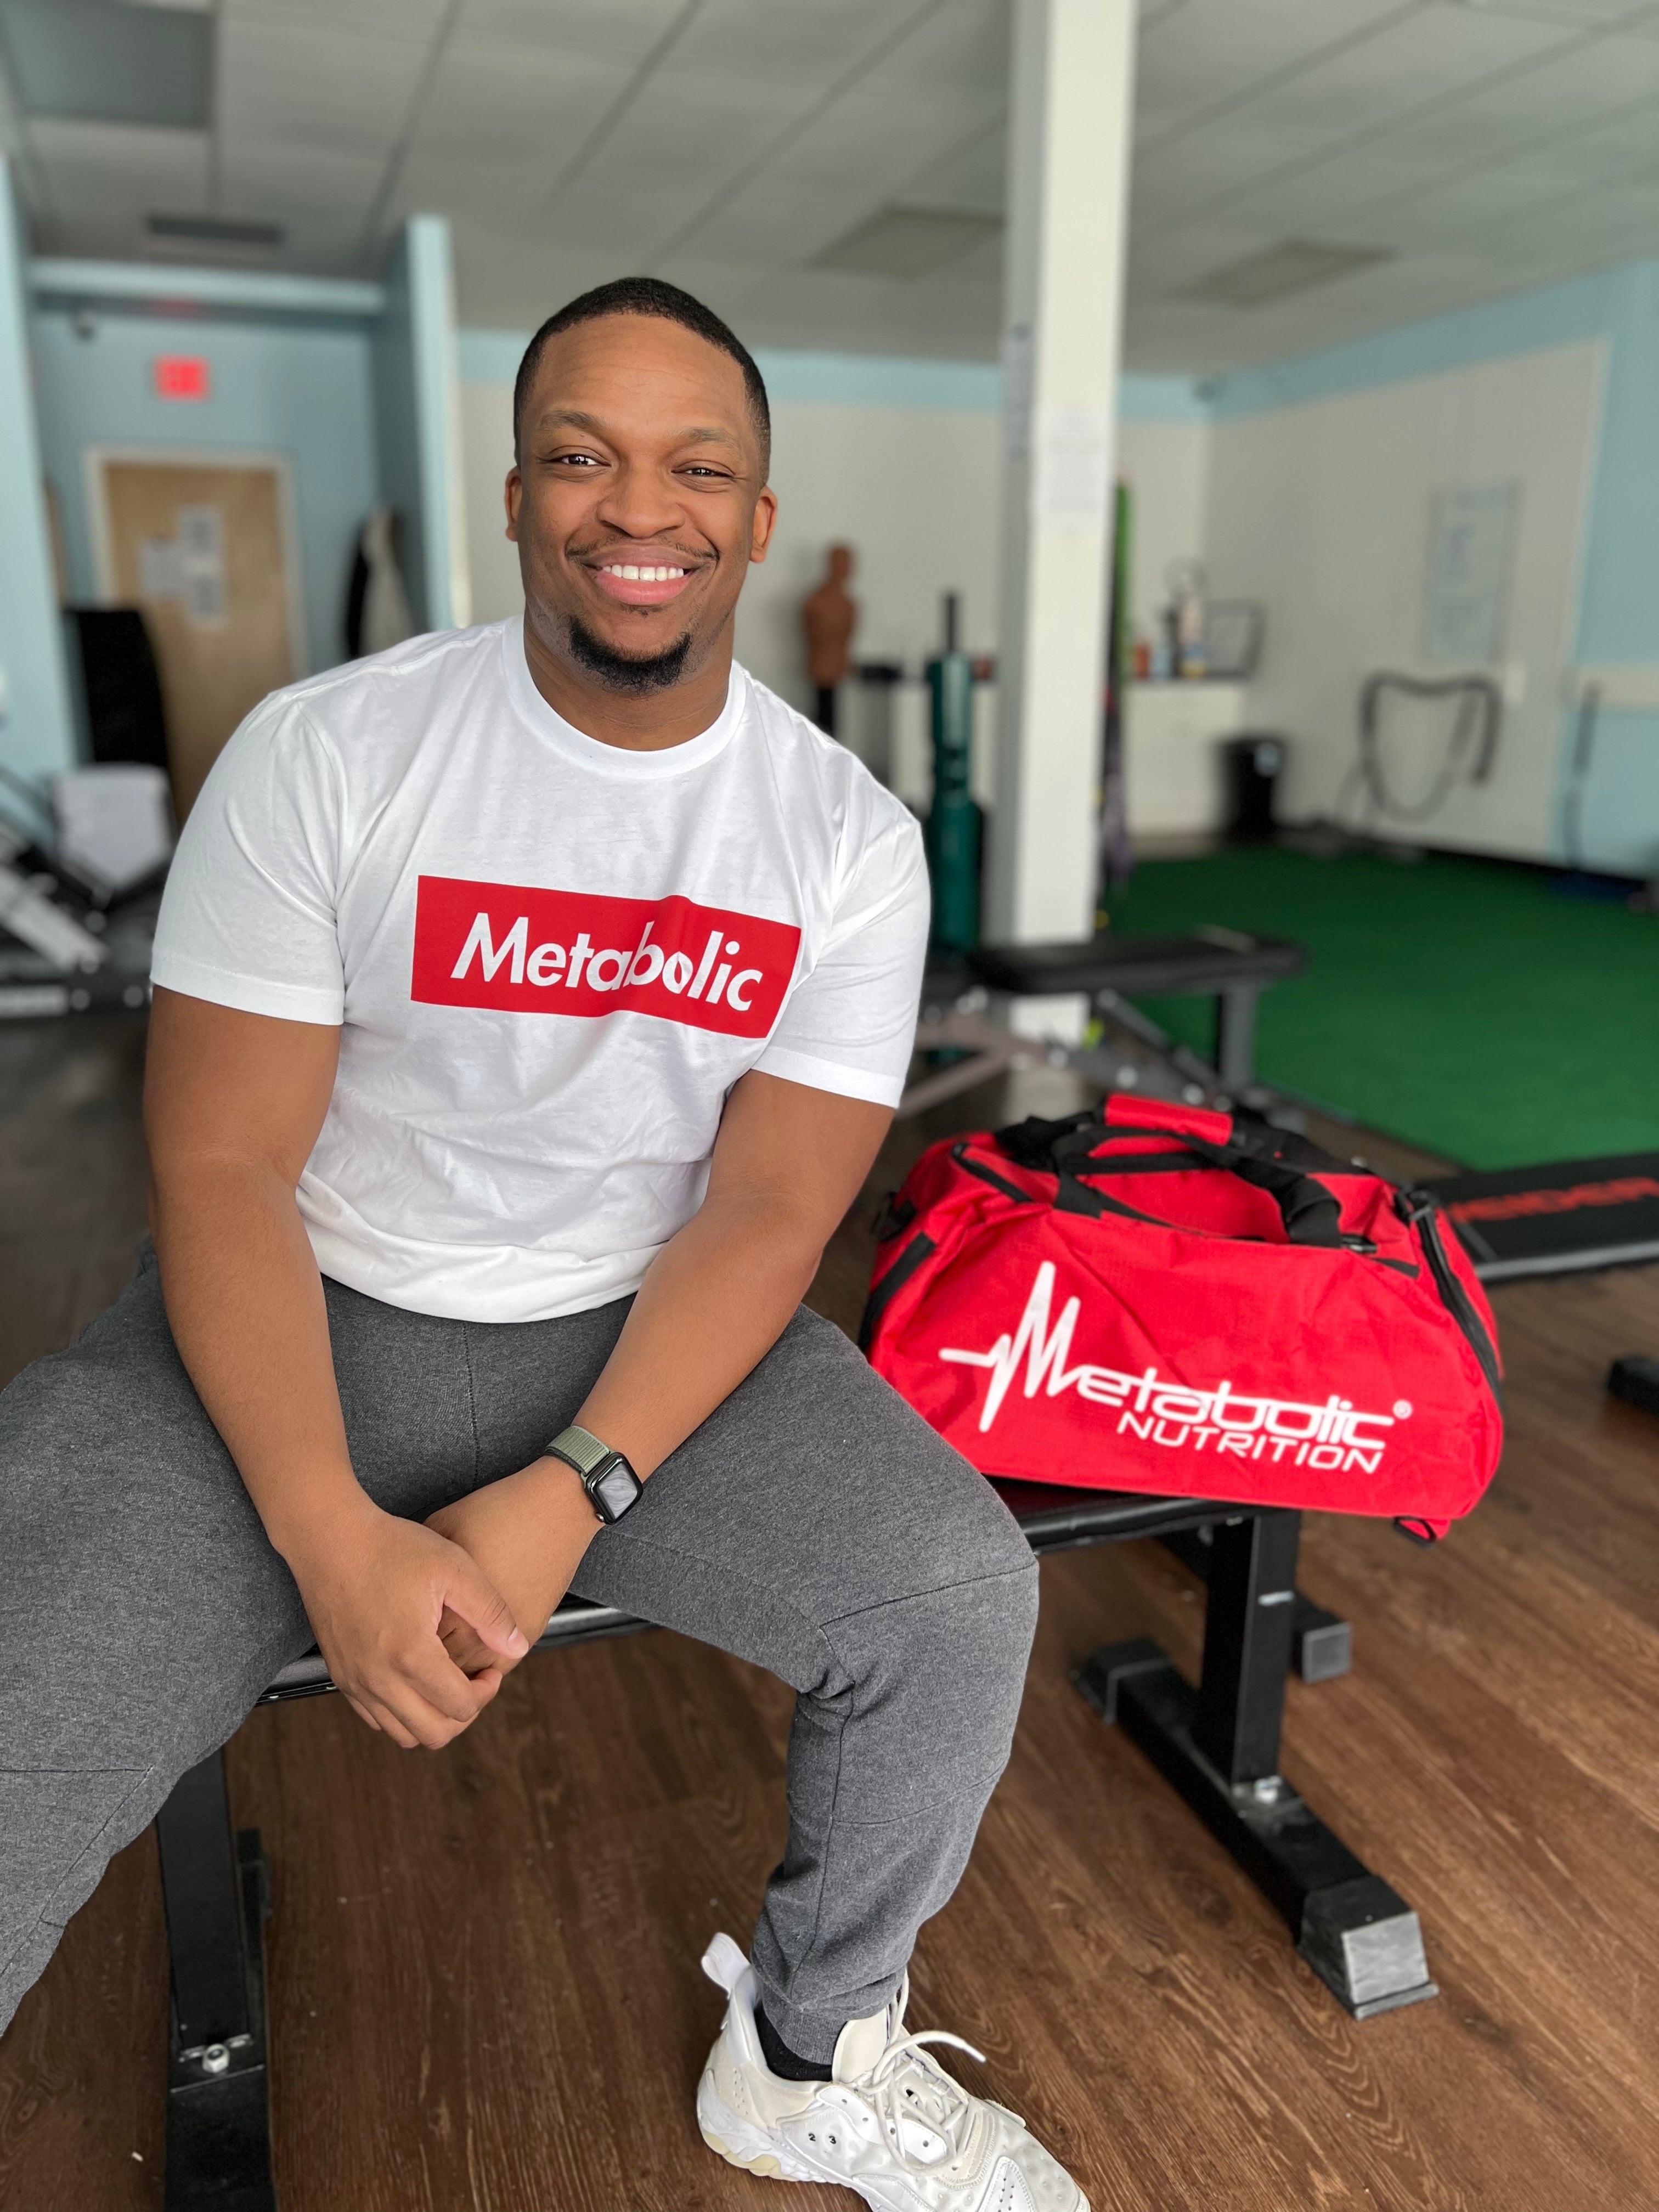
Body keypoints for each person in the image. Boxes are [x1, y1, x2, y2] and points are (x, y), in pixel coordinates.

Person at [0, 277, 1087, 2212]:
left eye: (697, 468)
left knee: (951, 1599)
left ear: (758, 516)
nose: (637, 506)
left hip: (634, 1340)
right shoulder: (329, 755)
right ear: (514, 496)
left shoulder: (841, 841)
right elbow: (223, 1169)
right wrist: (326, 1535)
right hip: (295, 1314)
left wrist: (579, 1484)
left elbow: (769, 1208)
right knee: (24, 1702)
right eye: (582, 455)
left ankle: (807, 2056)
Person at [802, 540, 858, 736]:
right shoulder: (817, 602)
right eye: (845, 563)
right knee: (824, 720)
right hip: (823, 667)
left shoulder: (848, 604)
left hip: (836, 667)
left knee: (831, 720)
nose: (849, 569)